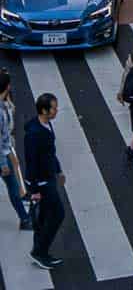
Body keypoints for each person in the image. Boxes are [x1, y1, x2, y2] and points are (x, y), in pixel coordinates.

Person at [24, 92, 65, 270]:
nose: (56, 111)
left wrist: (58, 170)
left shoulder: (46, 125)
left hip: (49, 176)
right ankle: (39, 251)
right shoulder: (34, 134)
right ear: (44, 110)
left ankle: (40, 250)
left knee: (44, 217)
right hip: (42, 183)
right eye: (53, 108)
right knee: (57, 214)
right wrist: (34, 190)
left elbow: (50, 152)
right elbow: (31, 161)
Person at [0, 72, 31, 231]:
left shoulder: (4, 103)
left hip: (6, 147)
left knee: (15, 166)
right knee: (11, 185)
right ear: (7, 87)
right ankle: (24, 219)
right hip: (2, 153)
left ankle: (23, 195)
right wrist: (3, 163)